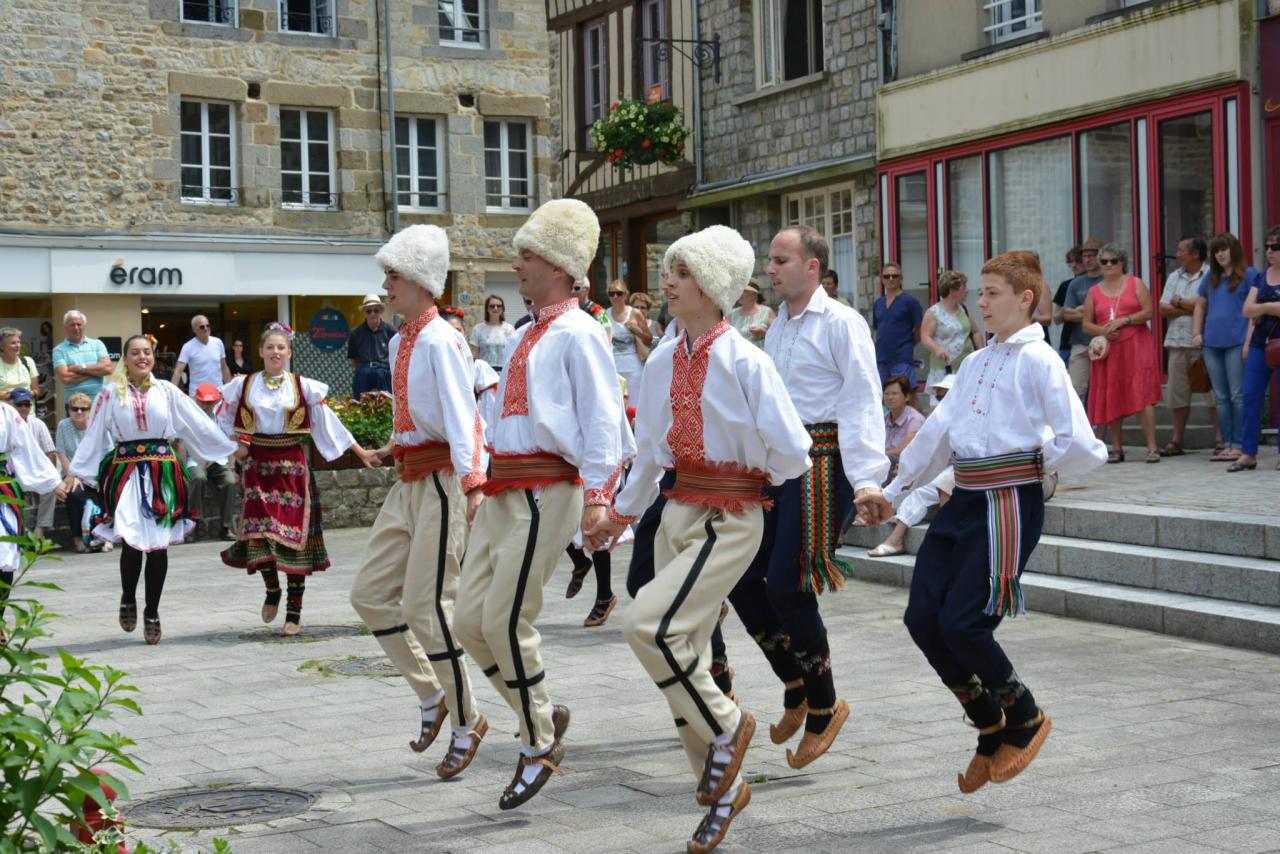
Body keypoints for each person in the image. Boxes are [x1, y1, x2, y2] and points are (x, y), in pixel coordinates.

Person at [587, 225, 812, 854]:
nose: (668, 281)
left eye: (681, 273)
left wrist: (751, 476)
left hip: (732, 515)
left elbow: (795, 452)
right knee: (678, 648)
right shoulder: (662, 358)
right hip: (679, 509)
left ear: (712, 287)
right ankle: (720, 792)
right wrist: (620, 515)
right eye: (670, 271)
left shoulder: (747, 359)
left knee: (648, 628)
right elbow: (652, 455)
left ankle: (731, 723)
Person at [857, 251, 1107, 795]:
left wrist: (1036, 468)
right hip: (965, 498)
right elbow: (936, 436)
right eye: (983, 292)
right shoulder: (974, 363)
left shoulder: (1041, 361)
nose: (983, 302)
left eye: (994, 293)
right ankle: (991, 725)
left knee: (964, 623)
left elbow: (1082, 443)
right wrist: (892, 491)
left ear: (1025, 299)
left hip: (1008, 503)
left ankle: (1025, 715)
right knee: (924, 618)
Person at [452, 199, 626, 811]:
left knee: (504, 621)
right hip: (507, 488)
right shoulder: (526, 333)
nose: (516, 264)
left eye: (527, 254)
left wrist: (599, 499)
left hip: (549, 489)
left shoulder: (582, 332)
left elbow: (605, 422)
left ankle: (538, 740)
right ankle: (543, 711)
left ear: (557, 264)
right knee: (468, 620)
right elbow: (500, 416)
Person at [728, 225, 889, 771]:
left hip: (825, 462)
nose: (769, 270)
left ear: (813, 266)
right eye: (769, 261)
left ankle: (824, 705)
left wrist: (868, 479)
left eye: (779, 260)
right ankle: (795, 680)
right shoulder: (778, 327)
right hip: (780, 464)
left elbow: (864, 401)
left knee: (790, 583)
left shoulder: (842, 323)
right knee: (746, 580)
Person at [349, 225, 491, 778]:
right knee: (370, 596)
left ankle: (467, 719)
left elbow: (462, 416)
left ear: (420, 282)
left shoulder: (440, 338)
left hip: (440, 484)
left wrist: (474, 484)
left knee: (428, 607)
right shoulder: (400, 338)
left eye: (392, 276)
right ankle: (434, 697)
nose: (384, 287)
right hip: (409, 480)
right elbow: (423, 416)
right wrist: (393, 443)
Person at [66, 335, 239, 645]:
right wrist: (78, 471)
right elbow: (93, 433)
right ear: (126, 359)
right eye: (135, 353)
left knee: (158, 544)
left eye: (146, 352)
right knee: (133, 540)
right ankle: (128, 598)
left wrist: (226, 447)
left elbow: (196, 422)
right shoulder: (109, 394)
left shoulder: (167, 391)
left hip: (162, 472)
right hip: (127, 472)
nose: (142, 357)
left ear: (153, 357)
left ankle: (152, 612)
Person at [219, 324, 381, 636]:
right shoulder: (244, 385)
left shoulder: (302, 386)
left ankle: (294, 610)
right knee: (257, 532)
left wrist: (361, 453)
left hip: (292, 465)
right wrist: (234, 446)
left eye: (281, 348)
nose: (276, 352)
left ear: (289, 352)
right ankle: (272, 589)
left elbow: (327, 422)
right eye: (270, 348)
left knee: (295, 538)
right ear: (262, 352)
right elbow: (223, 415)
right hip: (257, 465)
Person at [1081, 244, 1162, 463]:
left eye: (1113, 261)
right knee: (1112, 395)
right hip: (1109, 349)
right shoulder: (1094, 291)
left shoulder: (1135, 283)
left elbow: (1149, 311)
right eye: (1104, 261)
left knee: (1143, 394)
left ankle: (1152, 447)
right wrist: (1103, 331)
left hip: (1136, 344)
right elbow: (1086, 324)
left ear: (1122, 263)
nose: (1108, 265)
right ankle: (1116, 448)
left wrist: (1124, 320)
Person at [0, 400, 65, 646]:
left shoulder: (5, 412)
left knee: (4, 557)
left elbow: (27, 449)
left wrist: (52, 482)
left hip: (2, 493)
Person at [869, 374, 955, 558]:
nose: (942, 400)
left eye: (946, 394)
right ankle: (895, 536)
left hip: (970, 468)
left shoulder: (919, 418)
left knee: (935, 481)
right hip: (945, 468)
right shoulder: (939, 416)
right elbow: (927, 451)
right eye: (939, 396)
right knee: (920, 487)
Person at [1192, 232, 1256, 463]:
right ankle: (1226, 444)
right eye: (1217, 251)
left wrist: (1249, 341)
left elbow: (1254, 312)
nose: (1220, 254)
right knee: (1220, 397)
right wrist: (1197, 333)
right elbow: (1200, 305)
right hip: (1212, 344)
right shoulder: (1211, 277)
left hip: (1236, 342)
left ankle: (1239, 444)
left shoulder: (1249, 275)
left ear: (1234, 250)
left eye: (1224, 249)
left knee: (1237, 395)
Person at [1159, 237, 1219, 456]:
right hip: (1176, 342)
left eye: (1181, 250)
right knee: (1177, 394)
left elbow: (1210, 304)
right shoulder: (1175, 276)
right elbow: (1163, 308)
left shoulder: (1212, 274)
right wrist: (1193, 306)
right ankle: (1177, 441)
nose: (1177, 254)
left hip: (1204, 341)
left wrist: (1179, 302)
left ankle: (1221, 439)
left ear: (1195, 254)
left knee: (1212, 393)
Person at [1231, 226, 1280, 471]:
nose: (1270, 251)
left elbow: (1257, 309)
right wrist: (1249, 342)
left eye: (1276, 247)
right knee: (1250, 397)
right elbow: (1248, 311)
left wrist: (1263, 307)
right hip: (1261, 344)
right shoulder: (1261, 277)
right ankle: (1248, 452)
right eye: (1268, 246)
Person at [182, 384, 238, 542]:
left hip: (218, 459)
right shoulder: (189, 417)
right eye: (203, 402)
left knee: (229, 481)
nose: (206, 405)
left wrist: (232, 467)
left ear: (217, 401)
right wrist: (182, 469)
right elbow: (181, 444)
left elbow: (231, 442)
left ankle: (226, 527)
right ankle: (194, 524)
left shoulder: (222, 417)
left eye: (210, 402)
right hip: (196, 458)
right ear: (197, 400)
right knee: (198, 478)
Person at [55, 392, 106, 553]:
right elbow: (61, 452)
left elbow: (107, 452)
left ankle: (103, 537)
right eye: (74, 408)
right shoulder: (63, 425)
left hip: (95, 472)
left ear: (90, 410)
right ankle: (78, 537)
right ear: (69, 410)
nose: (78, 412)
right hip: (73, 473)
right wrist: (72, 475)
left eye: (83, 409)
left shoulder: (97, 426)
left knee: (104, 491)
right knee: (74, 494)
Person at [444, 309, 501, 443]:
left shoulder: (478, 368)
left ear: (465, 333)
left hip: (473, 437)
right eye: (448, 330)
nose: (454, 334)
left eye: (458, 330)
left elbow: (491, 407)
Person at [1060, 239, 1105, 405]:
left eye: (1092, 256)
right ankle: (1078, 429)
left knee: (1102, 389)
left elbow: (1109, 314)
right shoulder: (1076, 283)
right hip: (1079, 343)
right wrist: (1093, 313)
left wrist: (1081, 309)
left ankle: (1099, 430)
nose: (1087, 260)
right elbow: (1066, 314)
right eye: (1084, 256)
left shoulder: (1107, 281)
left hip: (1105, 341)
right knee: (1074, 389)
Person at [9, 388, 57, 542]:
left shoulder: (38, 424)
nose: (23, 408)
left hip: (36, 471)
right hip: (15, 473)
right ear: (12, 405)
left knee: (52, 487)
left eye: (26, 405)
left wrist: (50, 474)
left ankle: (40, 529)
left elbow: (50, 453)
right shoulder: (6, 426)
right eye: (19, 405)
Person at [921, 271, 982, 395]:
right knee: (940, 405)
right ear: (952, 290)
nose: (967, 290)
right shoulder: (934, 312)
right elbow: (925, 336)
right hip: (943, 368)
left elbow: (975, 332)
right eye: (963, 287)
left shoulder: (964, 309)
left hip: (965, 366)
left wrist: (982, 353)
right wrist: (937, 349)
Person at [872, 263, 923, 382]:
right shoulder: (878, 303)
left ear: (901, 278)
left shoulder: (910, 302)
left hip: (902, 359)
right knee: (884, 396)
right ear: (882, 279)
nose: (891, 279)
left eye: (894, 276)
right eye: (887, 276)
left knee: (906, 394)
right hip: (881, 359)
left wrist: (907, 344)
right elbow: (877, 329)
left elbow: (919, 329)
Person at [604, 280, 650, 408]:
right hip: (613, 367)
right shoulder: (604, 315)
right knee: (616, 407)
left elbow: (649, 339)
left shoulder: (635, 313)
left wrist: (637, 332)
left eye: (618, 293)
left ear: (625, 295)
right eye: (611, 294)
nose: (615, 297)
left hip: (633, 368)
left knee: (635, 407)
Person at [52, 311, 112, 404]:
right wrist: (95, 371)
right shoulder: (58, 350)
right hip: (75, 406)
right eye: (72, 325)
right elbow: (65, 378)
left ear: (84, 325)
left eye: (79, 324)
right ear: (66, 327)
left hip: (100, 402)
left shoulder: (97, 344)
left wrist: (81, 368)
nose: (76, 328)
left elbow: (107, 369)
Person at [348, 293, 397, 397]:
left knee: (387, 406)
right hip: (363, 373)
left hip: (384, 372)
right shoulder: (355, 333)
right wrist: (364, 370)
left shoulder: (391, 331)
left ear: (381, 311)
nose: (372, 314)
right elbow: (352, 360)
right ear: (364, 313)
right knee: (360, 406)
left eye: (376, 310)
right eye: (368, 311)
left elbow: (397, 355)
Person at [172, 315, 230, 398]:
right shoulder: (188, 346)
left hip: (218, 393)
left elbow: (224, 367)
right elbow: (178, 371)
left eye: (208, 325)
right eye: (202, 327)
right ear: (194, 330)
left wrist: (231, 388)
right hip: (198, 395)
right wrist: (171, 393)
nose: (206, 328)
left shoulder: (218, 343)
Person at [883, 375, 924, 475]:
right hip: (884, 459)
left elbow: (902, 451)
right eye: (886, 393)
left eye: (895, 393)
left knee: (885, 462)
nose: (890, 397)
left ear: (907, 397)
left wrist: (876, 455)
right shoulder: (884, 418)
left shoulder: (915, 419)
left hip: (906, 464)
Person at [1052, 247, 1084, 362]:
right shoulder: (1065, 285)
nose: (1074, 265)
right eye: (1071, 262)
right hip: (1067, 342)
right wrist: (1066, 310)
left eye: (1078, 261)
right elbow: (1056, 319)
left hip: (1092, 341)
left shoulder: (1097, 284)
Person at [470, 295, 517, 371]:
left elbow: (514, 353)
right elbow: (474, 355)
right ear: (487, 309)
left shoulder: (509, 329)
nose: (495, 308)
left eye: (499, 306)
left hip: (504, 371)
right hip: (485, 372)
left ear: (503, 309)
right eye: (492, 306)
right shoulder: (478, 329)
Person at [729, 281, 775, 348]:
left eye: (743, 291)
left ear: (754, 294)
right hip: (738, 356)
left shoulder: (767, 312)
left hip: (760, 356)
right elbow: (724, 336)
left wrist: (764, 333)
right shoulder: (732, 314)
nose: (739, 293)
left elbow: (779, 336)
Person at [0, 328, 39, 402]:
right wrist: (9, 395)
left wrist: (29, 394)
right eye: (13, 343)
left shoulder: (28, 362)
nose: (17, 345)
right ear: (2, 347)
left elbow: (36, 390)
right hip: (3, 411)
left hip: (27, 410)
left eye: (18, 342)